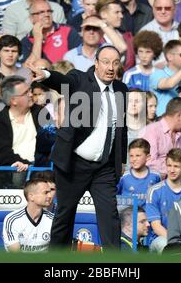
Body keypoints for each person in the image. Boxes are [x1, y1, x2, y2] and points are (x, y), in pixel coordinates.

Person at [28, 45, 128, 249]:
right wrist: (46, 75)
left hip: (104, 168)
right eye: (106, 62)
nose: (110, 67)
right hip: (74, 164)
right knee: (64, 216)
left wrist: (122, 159)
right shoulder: (80, 80)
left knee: (110, 216)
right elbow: (63, 81)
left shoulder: (121, 89)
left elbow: (122, 129)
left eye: (115, 63)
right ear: (97, 63)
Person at [0, 75, 53, 187]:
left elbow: (52, 140)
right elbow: (2, 152)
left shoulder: (42, 113)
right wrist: (22, 163)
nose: (31, 95)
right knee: (19, 175)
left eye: (30, 90)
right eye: (25, 93)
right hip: (16, 169)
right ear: (13, 100)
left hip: (41, 167)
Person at [145, 148, 181, 253]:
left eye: (176, 166)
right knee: (167, 246)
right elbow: (156, 226)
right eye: (169, 165)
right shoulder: (154, 191)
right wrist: (176, 243)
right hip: (160, 238)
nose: (172, 170)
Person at [140, 97, 181, 178]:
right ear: (179, 116)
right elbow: (148, 162)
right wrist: (175, 168)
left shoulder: (179, 135)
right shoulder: (151, 131)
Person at [2, 178, 54, 252]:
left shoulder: (53, 220)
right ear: (31, 196)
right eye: (45, 192)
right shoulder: (12, 219)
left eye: (50, 192)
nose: (50, 196)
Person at [117, 138, 161, 205]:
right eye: (131, 156)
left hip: (148, 214)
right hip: (129, 214)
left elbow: (160, 197)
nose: (134, 159)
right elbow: (116, 197)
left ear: (148, 157)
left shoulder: (155, 176)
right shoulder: (124, 177)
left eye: (138, 156)